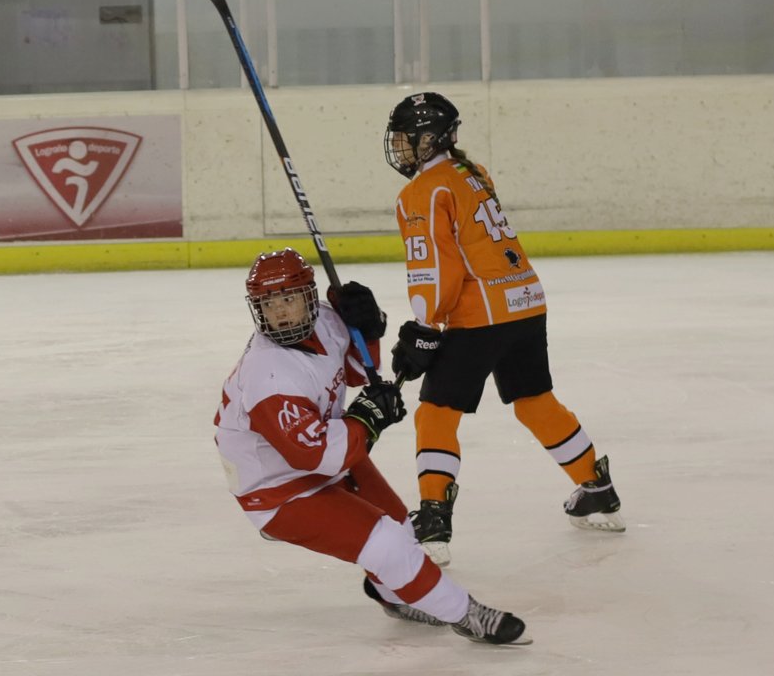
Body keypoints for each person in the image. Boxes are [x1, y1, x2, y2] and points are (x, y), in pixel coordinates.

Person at [213, 247, 530, 645]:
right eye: (269, 302)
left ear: (310, 298)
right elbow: (319, 457)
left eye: (289, 299)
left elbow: (352, 371)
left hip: (323, 443)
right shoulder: (269, 374)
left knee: (399, 524)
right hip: (276, 486)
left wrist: (370, 329)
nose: (279, 312)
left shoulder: (325, 321)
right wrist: (367, 418)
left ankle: (390, 594)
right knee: (387, 542)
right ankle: (467, 615)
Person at [383, 92, 626, 567]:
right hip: (526, 302)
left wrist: (424, 324)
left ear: (431, 140)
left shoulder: (420, 192)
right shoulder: (470, 172)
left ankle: (433, 519)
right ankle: (596, 487)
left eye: (407, 140)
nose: (400, 149)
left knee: (436, 411)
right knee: (535, 402)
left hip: (481, 316)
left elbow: (437, 265)